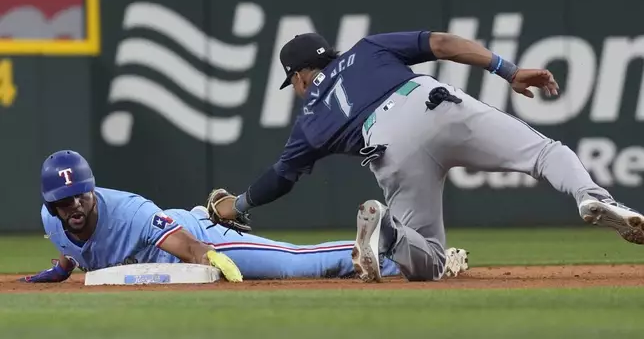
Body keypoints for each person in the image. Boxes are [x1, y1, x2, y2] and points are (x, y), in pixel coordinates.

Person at [205, 30, 644, 283]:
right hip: (429, 100)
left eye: (294, 81)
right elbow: (443, 43)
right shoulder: (366, 50)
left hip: (387, 143)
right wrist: (507, 70)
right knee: (547, 153)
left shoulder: (311, 118)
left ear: (299, 76)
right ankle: (590, 196)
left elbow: (281, 177)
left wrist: (237, 205)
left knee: (430, 260)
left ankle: (389, 231)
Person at [20, 150, 415, 283]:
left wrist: (212, 259)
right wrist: (64, 265)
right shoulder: (51, 217)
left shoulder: (129, 212)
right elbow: (75, 243)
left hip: (203, 238)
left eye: (80, 196)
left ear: (92, 189)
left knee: (296, 263)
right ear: (51, 202)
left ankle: (405, 256)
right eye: (63, 200)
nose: (73, 206)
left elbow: (188, 248)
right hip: (182, 252)